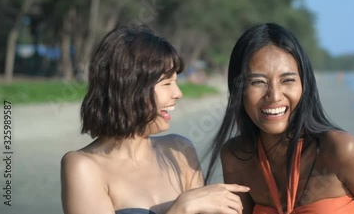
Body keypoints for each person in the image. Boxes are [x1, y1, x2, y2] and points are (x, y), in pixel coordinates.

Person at [205, 23, 354, 214]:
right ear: (238, 89)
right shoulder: (236, 157)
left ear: (305, 85)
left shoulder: (340, 151)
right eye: (258, 82)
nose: (274, 95)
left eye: (287, 80)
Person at [61, 25, 248, 214]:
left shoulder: (180, 151)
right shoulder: (83, 166)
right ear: (129, 88)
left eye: (176, 81)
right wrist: (180, 209)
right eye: (167, 83)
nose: (178, 93)